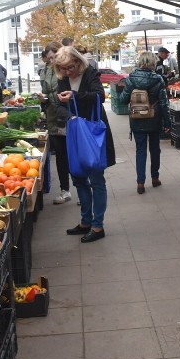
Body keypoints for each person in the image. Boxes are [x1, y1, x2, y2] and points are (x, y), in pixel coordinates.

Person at [55, 46, 116, 243]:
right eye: (63, 69)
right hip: (74, 132)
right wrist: (64, 107)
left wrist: (75, 96)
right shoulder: (63, 78)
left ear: (78, 62)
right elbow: (58, 105)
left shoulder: (90, 73)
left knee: (96, 179)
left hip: (91, 133)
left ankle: (98, 226)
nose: (67, 72)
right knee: (79, 177)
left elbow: (99, 96)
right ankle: (85, 221)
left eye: (70, 67)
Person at [119, 51, 171, 194]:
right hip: (154, 118)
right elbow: (164, 103)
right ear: (153, 63)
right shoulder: (159, 79)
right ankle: (155, 178)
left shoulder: (131, 78)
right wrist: (167, 122)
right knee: (155, 149)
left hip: (137, 119)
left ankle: (140, 182)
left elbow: (123, 100)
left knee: (140, 150)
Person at [38, 41, 72, 205]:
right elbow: (47, 91)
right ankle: (65, 190)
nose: (51, 61)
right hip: (52, 116)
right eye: (49, 58)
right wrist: (43, 99)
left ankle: (84, 187)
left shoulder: (65, 70)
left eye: (53, 57)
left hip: (65, 115)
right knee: (60, 154)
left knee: (73, 152)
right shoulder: (46, 69)